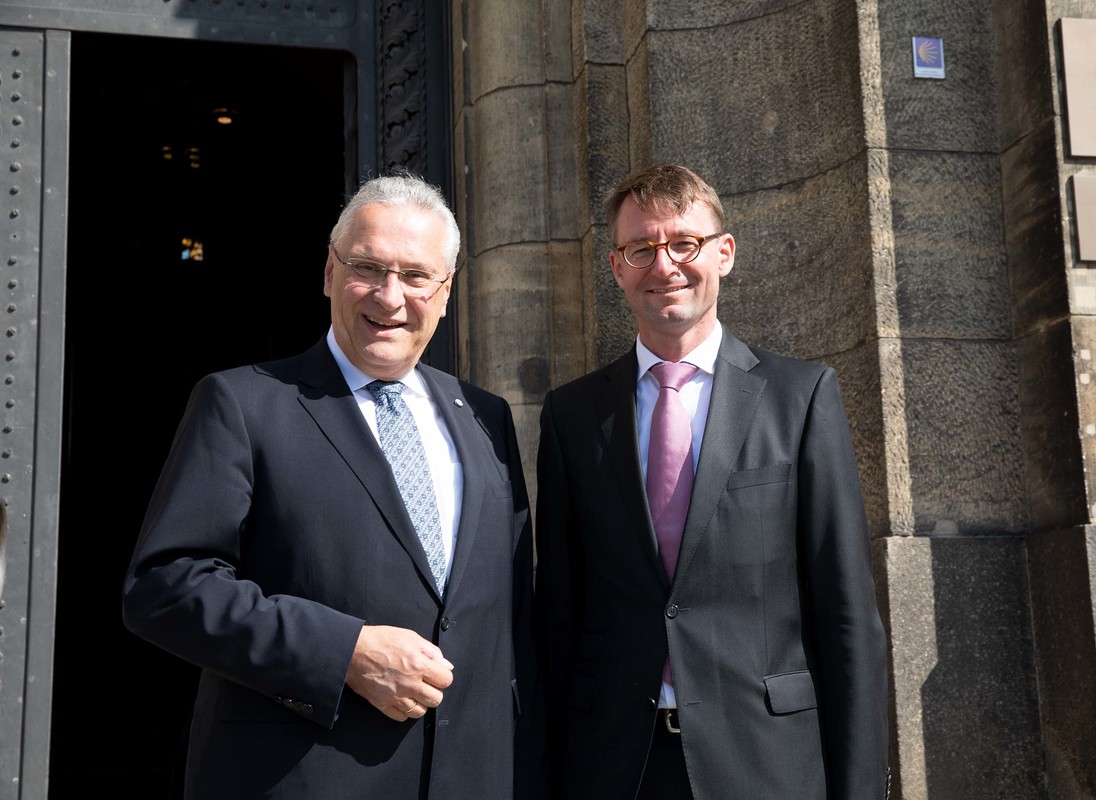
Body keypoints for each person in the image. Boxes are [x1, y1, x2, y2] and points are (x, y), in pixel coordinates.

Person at [124, 174, 535, 800]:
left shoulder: (485, 416)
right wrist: (344, 652)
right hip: (300, 778)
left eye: (417, 275)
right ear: (328, 273)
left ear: (446, 292)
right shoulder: (242, 403)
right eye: (367, 267)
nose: (390, 295)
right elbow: (163, 587)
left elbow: (506, 617)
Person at [534, 164, 888, 799]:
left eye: (684, 244)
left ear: (723, 254)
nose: (663, 264)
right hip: (614, 765)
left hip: (764, 760)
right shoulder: (572, 416)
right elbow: (560, 612)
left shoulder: (800, 399)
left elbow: (846, 615)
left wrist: (860, 787)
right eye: (640, 248)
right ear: (617, 267)